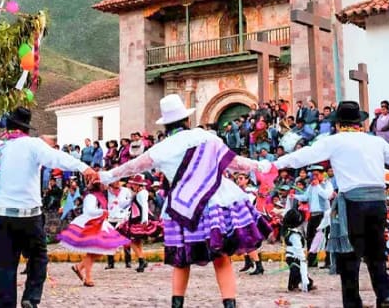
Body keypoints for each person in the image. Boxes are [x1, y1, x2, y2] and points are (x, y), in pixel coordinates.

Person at [99, 95, 270, 308]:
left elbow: (131, 167)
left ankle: (177, 304)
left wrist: (106, 176)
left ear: (166, 124)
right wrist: (260, 166)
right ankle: (229, 304)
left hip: (182, 207)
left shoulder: (161, 148)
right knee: (221, 258)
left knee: (181, 261)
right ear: (186, 121)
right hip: (214, 202)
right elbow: (235, 163)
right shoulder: (208, 138)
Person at [269, 101, 389, 308]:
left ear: (339, 123)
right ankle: (384, 295)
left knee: (350, 255)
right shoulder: (375, 142)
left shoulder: (334, 141)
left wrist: (273, 165)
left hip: (353, 203)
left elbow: (302, 156)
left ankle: (353, 302)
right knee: (376, 252)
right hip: (377, 202)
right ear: (359, 122)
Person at [0, 107, 97, 308]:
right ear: (26, 128)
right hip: (30, 216)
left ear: (8, 126)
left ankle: (6, 305)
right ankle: (30, 297)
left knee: (4, 266)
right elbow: (58, 158)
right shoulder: (34, 145)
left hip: (2, 217)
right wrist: (84, 167)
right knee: (38, 257)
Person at [58, 181, 129, 287]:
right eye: (104, 184)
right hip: (90, 224)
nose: (106, 186)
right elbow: (89, 210)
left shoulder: (101, 196)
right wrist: (103, 211)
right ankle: (88, 277)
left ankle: (80, 267)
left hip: (99, 223)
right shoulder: (90, 196)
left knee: (100, 250)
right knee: (93, 252)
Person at [117, 175, 160, 273]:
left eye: (134, 184)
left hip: (138, 219)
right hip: (136, 218)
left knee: (131, 241)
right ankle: (142, 260)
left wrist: (144, 220)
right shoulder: (138, 193)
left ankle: (141, 260)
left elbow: (144, 206)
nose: (132, 186)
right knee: (137, 241)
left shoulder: (142, 193)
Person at [294, 166, 333, 268]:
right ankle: (312, 262)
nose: (314, 177)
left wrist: (318, 186)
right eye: (313, 175)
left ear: (322, 174)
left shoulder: (327, 184)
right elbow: (305, 197)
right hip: (313, 214)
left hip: (323, 215)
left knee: (325, 237)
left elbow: (327, 196)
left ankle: (328, 261)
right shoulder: (311, 186)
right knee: (310, 237)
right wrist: (295, 196)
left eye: (316, 174)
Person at [282, 208, 314, 292]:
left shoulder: (289, 231)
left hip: (290, 256)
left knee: (295, 271)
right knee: (296, 271)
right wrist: (302, 257)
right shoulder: (294, 235)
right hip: (294, 256)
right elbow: (298, 248)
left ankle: (293, 285)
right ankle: (293, 285)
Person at [104, 180, 132, 269]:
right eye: (114, 181)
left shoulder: (126, 191)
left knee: (126, 241)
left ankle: (128, 262)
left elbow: (130, 205)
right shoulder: (106, 192)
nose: (117, 182)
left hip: (123, 218)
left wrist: (126, 217)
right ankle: (110, 263)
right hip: (111, 218)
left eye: (118, 181)